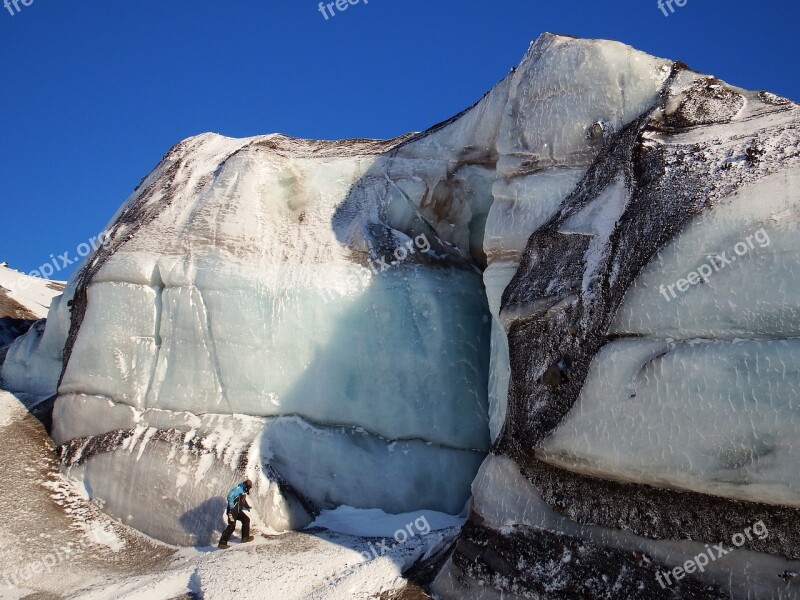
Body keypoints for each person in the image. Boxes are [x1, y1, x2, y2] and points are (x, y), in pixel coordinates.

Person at [218, 479, 254, 548]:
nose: (249, 489)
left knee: (246, 519)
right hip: (231, 512)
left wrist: (247, 507)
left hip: (238, 512)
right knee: (232, 526)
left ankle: (245, 538)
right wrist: (231, 506)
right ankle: (222, 543)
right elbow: (230, 496)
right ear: (246, 486)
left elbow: (243, 501)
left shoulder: (243, 491)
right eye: (249, 487)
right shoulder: (238, 489)